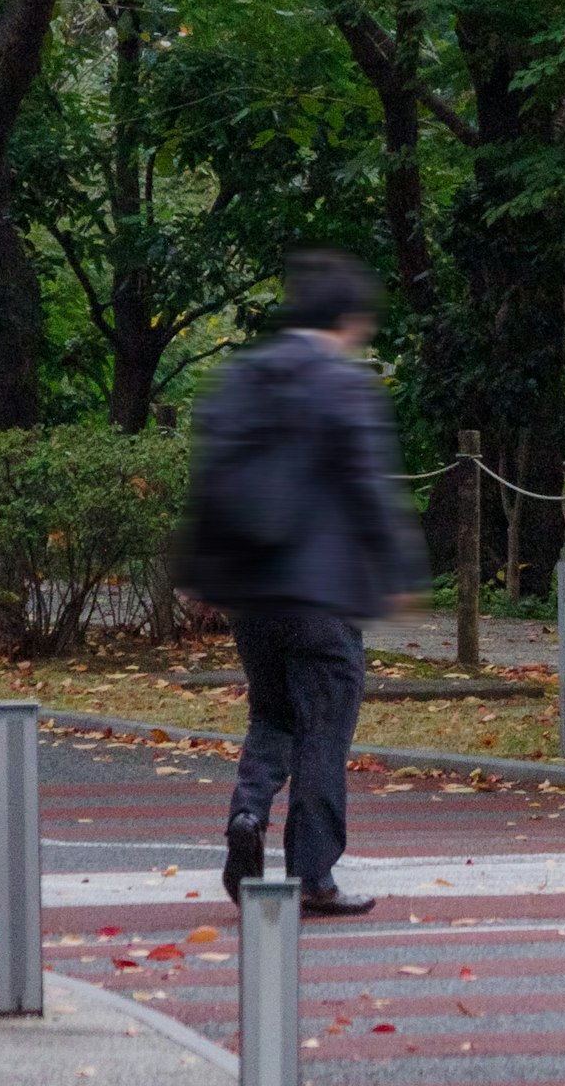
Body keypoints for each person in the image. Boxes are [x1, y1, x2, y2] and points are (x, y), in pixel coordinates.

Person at [180, 248, 422, 915]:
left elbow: (212, 480)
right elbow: (366, 488)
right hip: (320, 590)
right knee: (323, 729)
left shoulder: (243, 377)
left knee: (270, 714)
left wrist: (203, 573)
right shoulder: (341, 383)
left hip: (251, 590)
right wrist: (395, 571)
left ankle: (248, 816)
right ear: (347, 317)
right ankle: (313, 875)